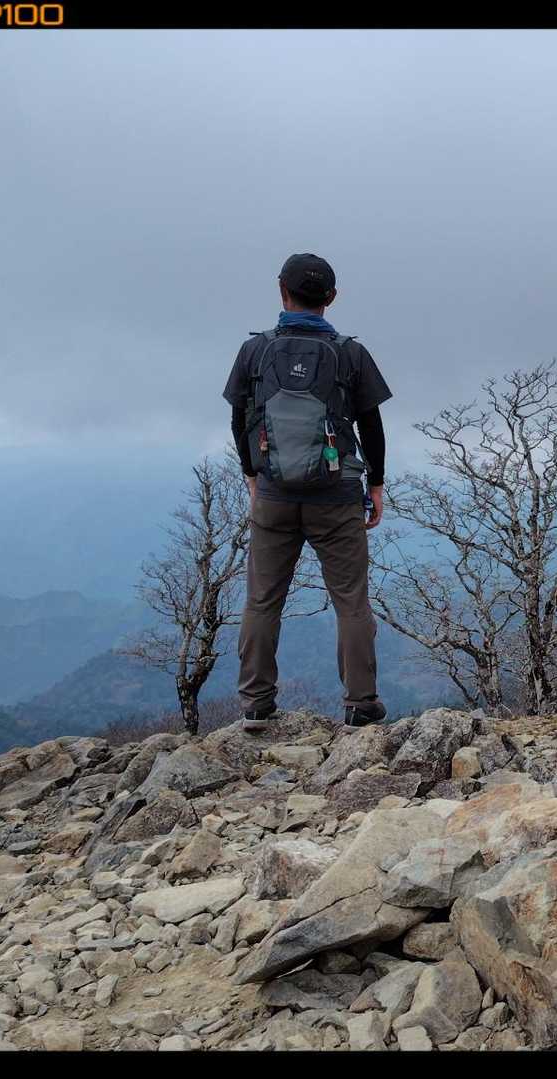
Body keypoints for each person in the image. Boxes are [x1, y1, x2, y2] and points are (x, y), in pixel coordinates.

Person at [222, 253, 393, 730]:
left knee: (262, 600)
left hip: (273, 495)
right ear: (331, 298)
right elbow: (372, 426)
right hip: (337, 497)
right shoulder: (350, 353)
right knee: (351, 602)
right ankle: (360, 703)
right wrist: (376, 483)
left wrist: (252, 474)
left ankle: (256, 703)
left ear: (282, 291)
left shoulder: (254, 351)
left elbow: (239, 418)